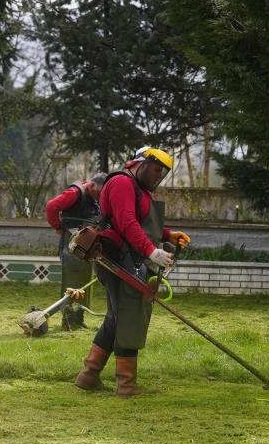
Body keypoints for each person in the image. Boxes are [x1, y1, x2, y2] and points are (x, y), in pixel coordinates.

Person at [75, 147, 191, 397]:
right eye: (155, 169)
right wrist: (152, 252)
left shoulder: (139, 190)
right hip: (119, 259)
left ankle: (88, 375)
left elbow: (142, 223)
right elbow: (126, 222)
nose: (157, 175)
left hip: (131, 258)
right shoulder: (121, 183)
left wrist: (168, 234)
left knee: (117, 317)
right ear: (141, 163)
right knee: (129, 316)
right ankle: (126, 385)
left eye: (162, 172)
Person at [45, 173, 107, 329]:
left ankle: (78, 319)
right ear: (92, 186)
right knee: (72, 281)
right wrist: (58, 227)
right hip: (72, 244)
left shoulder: (92, 197)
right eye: (99, 194)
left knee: (84, 282)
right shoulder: (74, 193)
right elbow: (51, 206)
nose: (100, 198)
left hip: (88, 246)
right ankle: (68, 321)